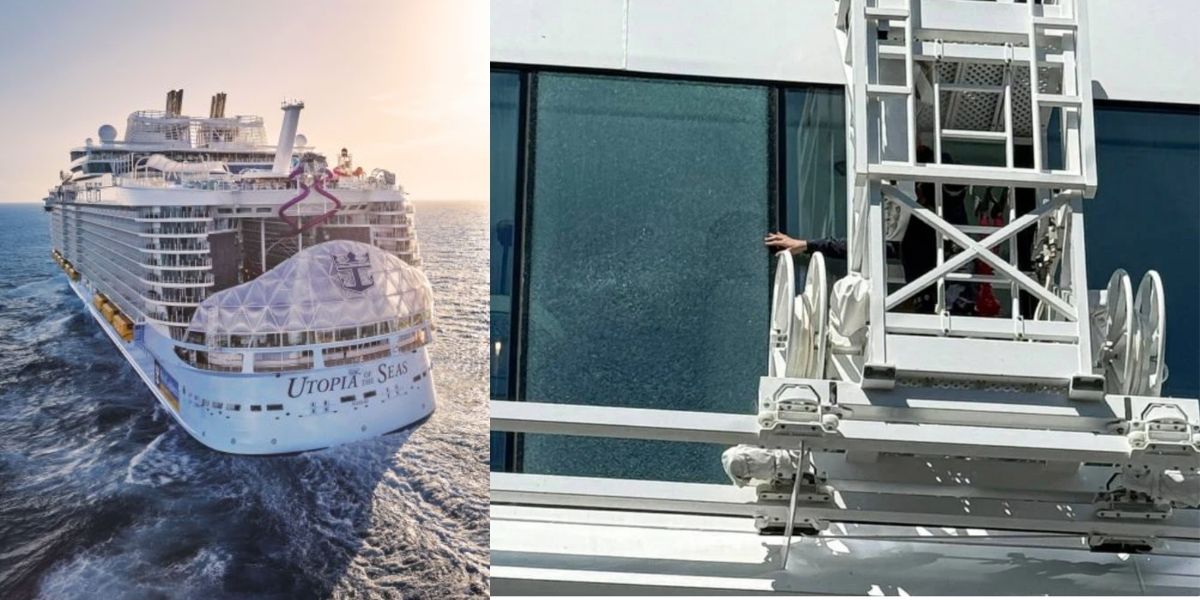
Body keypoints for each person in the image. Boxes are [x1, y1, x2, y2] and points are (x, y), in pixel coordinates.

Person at [765, 146, 971, 314]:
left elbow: (952, 186)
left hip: (947, 304)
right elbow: (862, 248)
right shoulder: (914, 227)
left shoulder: (940, 211)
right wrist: (806, 245)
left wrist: (807, 245)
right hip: (941, 303)